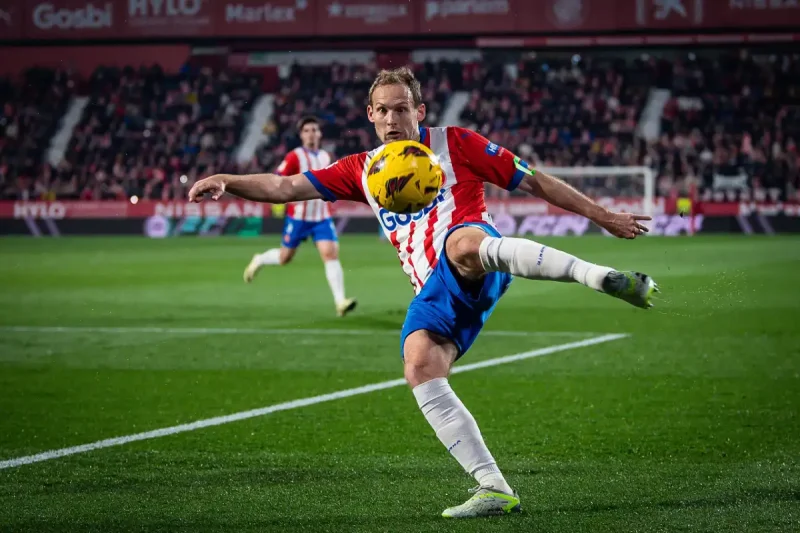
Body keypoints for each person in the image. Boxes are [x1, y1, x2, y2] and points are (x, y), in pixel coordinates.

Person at [189, 67, 658, 519]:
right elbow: (285, 185)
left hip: (480, 253)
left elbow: (533, 179)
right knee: (419, 363)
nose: (393, 120)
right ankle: (493, 486)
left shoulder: (459, 143)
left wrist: (601, 215)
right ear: (369, 115)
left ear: (420, 110)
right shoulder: (363, 168)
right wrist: (229, 181)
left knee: (462, 243)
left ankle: (599, 277)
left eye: (401, 109)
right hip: (433, 289)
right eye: (383, 111)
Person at [243, 116, 357, 318]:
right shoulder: (295, 156)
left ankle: (340, 301)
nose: (311, 133)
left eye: (315, 129)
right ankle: (260, 259)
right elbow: (278, 178)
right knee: (285, 257)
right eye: (307, 130)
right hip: (298, 217)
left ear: (320, 134)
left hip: (321, 217)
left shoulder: (324, 156)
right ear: (301, 135)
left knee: (330, 253)